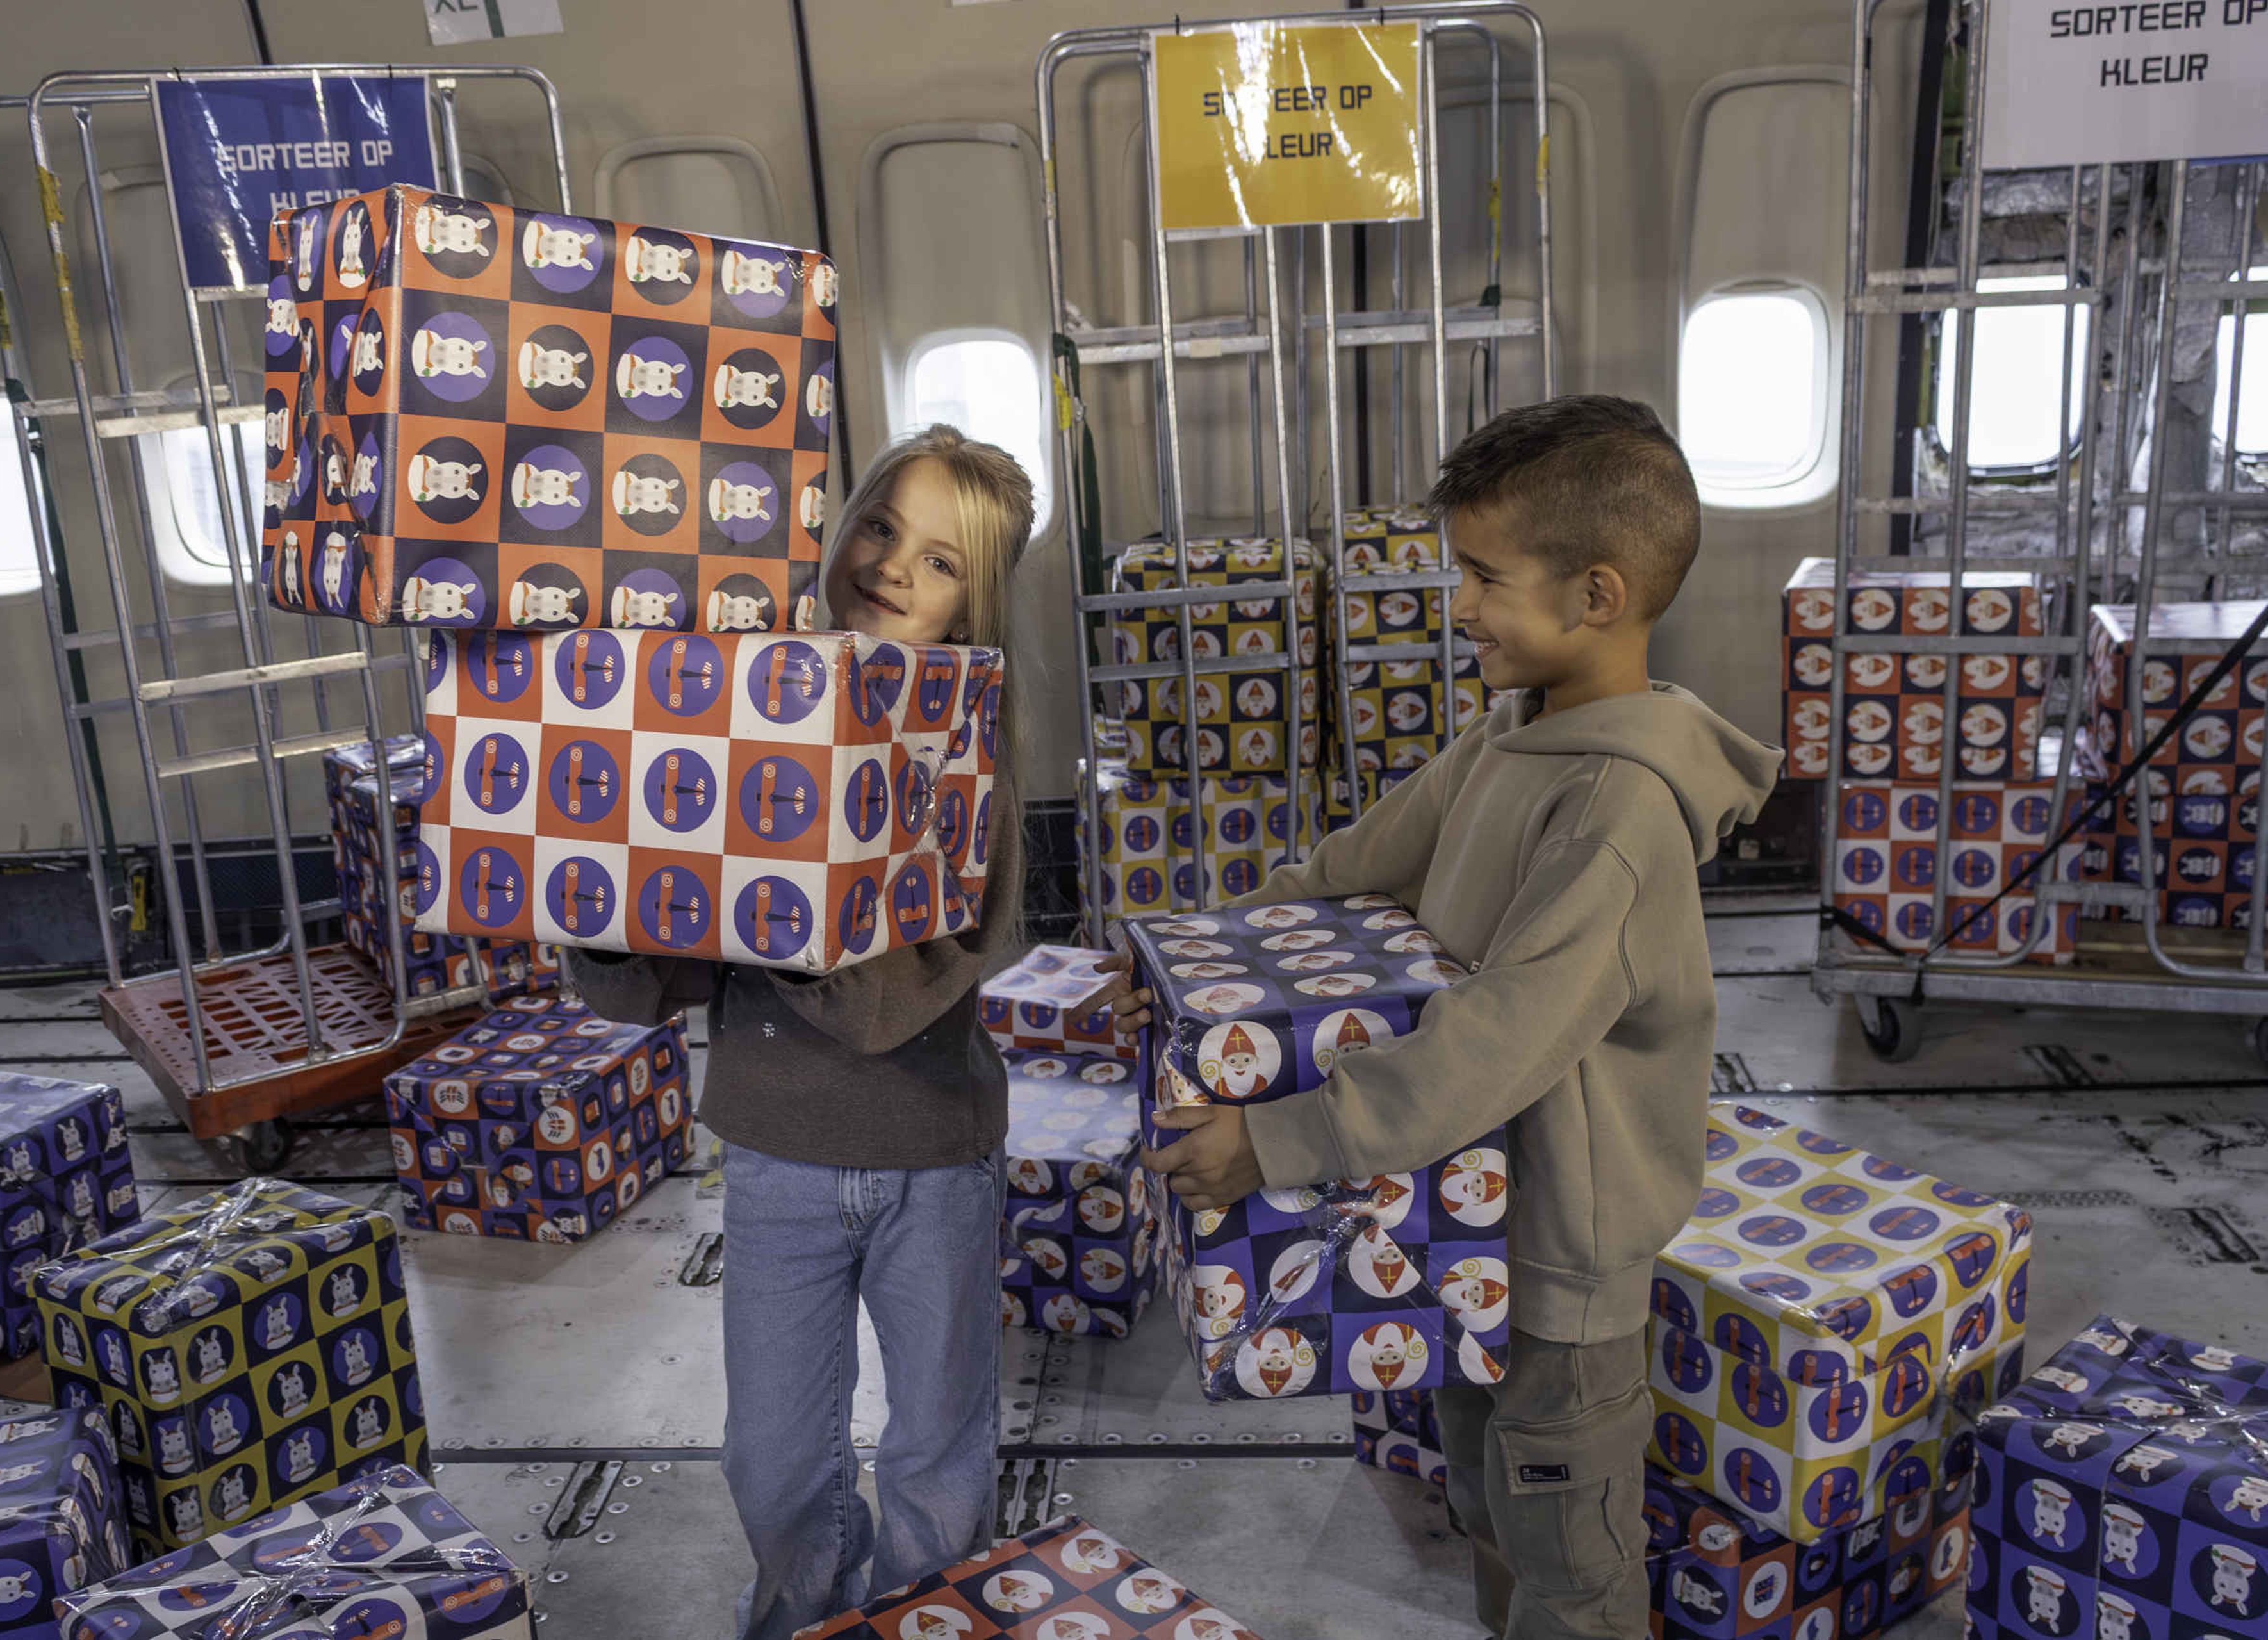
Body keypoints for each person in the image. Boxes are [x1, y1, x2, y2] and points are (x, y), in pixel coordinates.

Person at [1100, 395, 1782, 1640]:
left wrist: (1275, 1140)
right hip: (1460, 1228)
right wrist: (1197, 964)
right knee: (1484, 1502)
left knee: (1572, 1560)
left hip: (1557, 1274)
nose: (1457, 605)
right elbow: (1357, 860)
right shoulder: (1514, 735)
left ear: (1598, 595)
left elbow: (1493, 1042)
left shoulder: (1621, 816)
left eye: (1481, 576)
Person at [569, 424, 1031, 1640]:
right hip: (775, 1155)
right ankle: (804, 1618)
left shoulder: (970, 757)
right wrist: (605, 896)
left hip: (935, 1154)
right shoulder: (740, 708)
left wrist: (774, 899)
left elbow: (893, 1004)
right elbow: (645, 984)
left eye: (940, 563)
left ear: (975, 606)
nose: (892, 568)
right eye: (880, 527)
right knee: (774, 1465)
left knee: (937, 1457)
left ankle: (927, 1620)